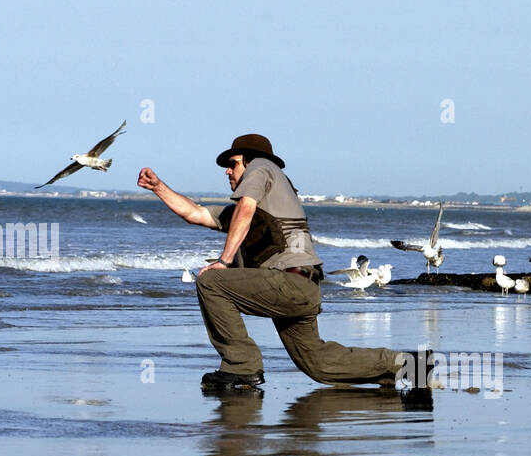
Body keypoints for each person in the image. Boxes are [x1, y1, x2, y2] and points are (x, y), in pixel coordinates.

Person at [137, 134, 431, 392]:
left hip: (290, 283)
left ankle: (242, 365)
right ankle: (407, 366)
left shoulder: (262, 168)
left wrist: (225, 261)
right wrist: (159, 187)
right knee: (318, 364)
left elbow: (246, 208)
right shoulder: (257, 201)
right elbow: (196, 213)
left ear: (251, 162)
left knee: (211, 281)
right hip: (299, 288)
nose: (228, 170)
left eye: (233, 162)